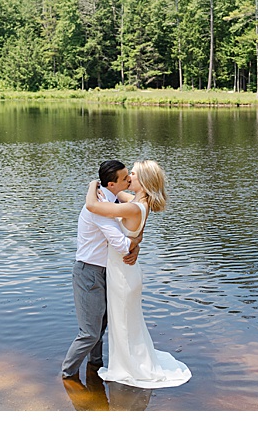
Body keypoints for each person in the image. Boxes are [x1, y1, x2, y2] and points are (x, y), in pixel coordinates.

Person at [83, 160, 191, 388]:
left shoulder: (133, 206)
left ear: (143, 181)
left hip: (123, 273)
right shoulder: (137, 201)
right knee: (126, 322)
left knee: (123, 323)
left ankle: (128, 369)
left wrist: (93, 183)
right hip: (125, 270)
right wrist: (136, 243)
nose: (129, 177)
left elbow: (93, 206)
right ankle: (128, 362)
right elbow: (115, 196)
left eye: (132, 173)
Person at [61, 160, 141, 381]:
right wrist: (138, 240)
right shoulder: (99, 207)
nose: (129, 180)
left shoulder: (111, 199)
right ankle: (67, 375)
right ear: (112, 183)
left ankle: (95, 368)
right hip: (89, 273)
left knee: (101, 326)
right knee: (89, 332)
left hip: (105, 272)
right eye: (125, 178)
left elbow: (136, 202)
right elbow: (122, 245)